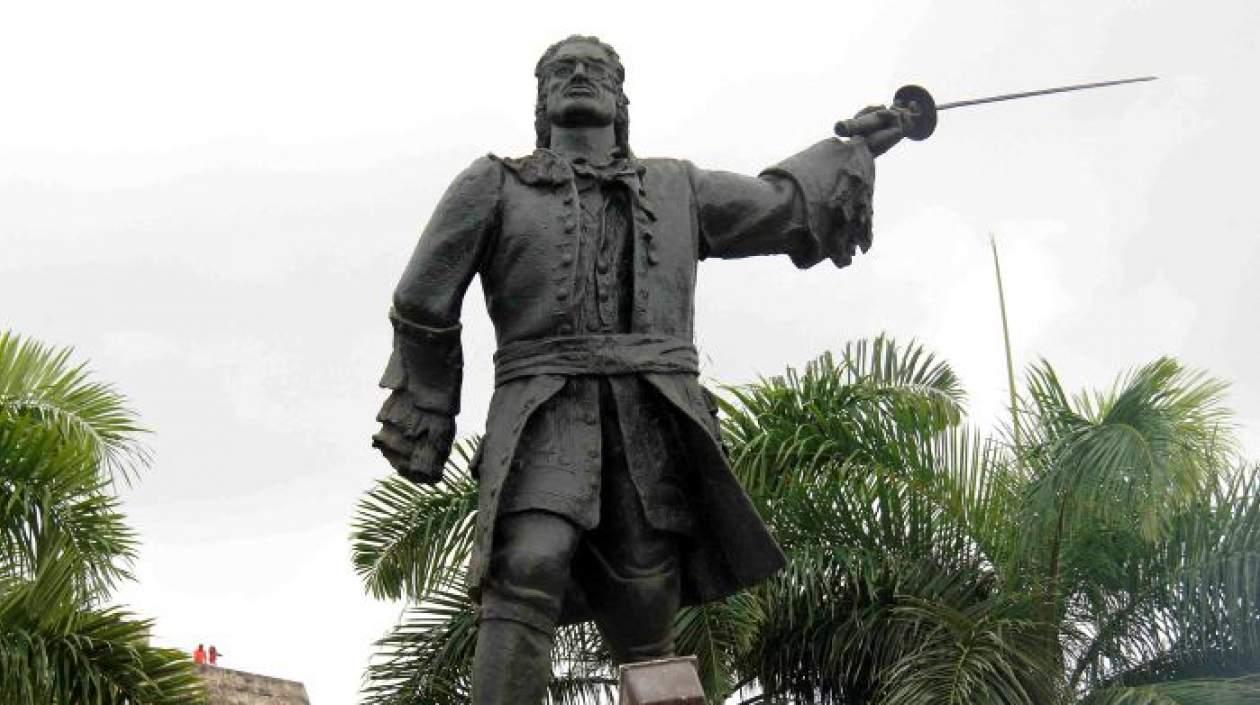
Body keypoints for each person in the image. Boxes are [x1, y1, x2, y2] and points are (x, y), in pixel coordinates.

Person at [372, 35, 905, 704]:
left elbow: (776, 205)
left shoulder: (677, 187)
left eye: (596, 70)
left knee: (648, 593)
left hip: (650, 414)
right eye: (561, 71)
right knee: (527, 561)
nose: (578, 76)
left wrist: (853, 150)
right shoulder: (495, 183)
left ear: (621, 100)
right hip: (544, 409)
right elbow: (422, 297)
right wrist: (427, 407)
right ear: (541, 100)